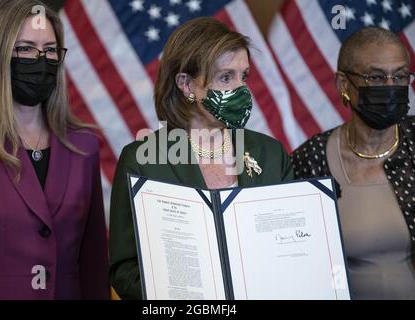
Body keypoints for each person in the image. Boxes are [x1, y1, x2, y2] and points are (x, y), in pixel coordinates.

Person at [109, 17, 294, 299]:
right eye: (225, 77)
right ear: (187, 85)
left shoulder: (271, 154)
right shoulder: (143, 160)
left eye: (243, 76)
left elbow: (292, 249)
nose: (240, 89)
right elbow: (126, 270)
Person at [0, 0, 109, 299]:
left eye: (50, 50)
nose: (41, 60)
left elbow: (93, 265)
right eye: (26, 48)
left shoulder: (83, 146)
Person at [291, 27, 415, 299]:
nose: (391, 86)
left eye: (401, 76)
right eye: (376, 77)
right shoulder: (310, 160)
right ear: (343, 84)